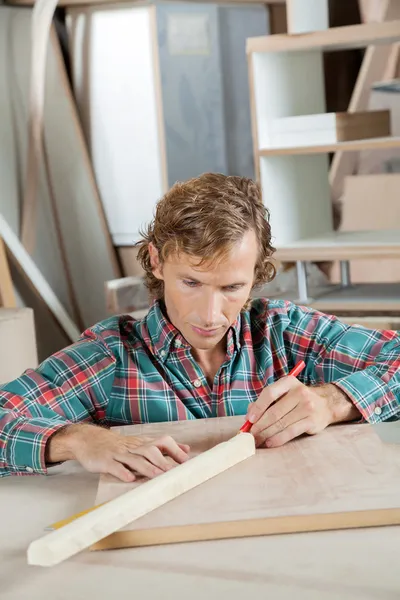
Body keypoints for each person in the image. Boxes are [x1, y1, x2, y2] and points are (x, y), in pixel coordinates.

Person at [1, 173, 399, 481]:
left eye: (232, 288)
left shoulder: (286, 333)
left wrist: (333, 401)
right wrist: (77, 439)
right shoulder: (112, 357)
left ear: (256, 275)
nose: (211, 315)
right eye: (191, 282)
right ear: (157, 262)